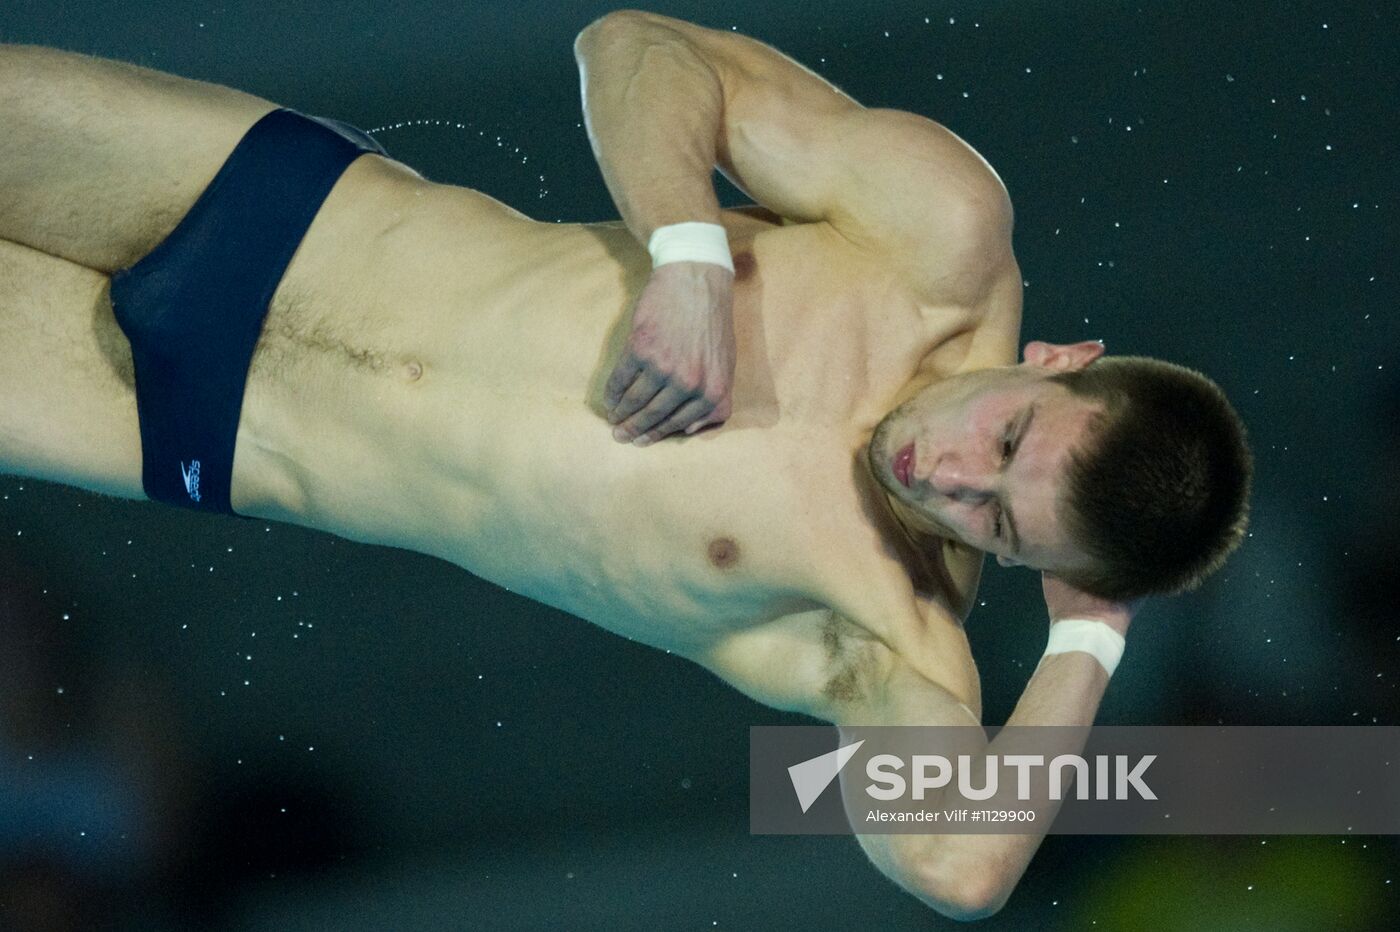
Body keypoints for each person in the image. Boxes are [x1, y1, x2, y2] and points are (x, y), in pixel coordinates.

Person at [0, 10, 1250, 919]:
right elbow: (634, 44)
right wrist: (692, 252)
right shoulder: (935, 233)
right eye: (1010, 437)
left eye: (999, 525)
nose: (947, 476)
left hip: (196, 433)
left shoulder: (885, 625)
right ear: (1060, 354)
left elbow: (956, 868)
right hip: (274, 210)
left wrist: (1087, 637)